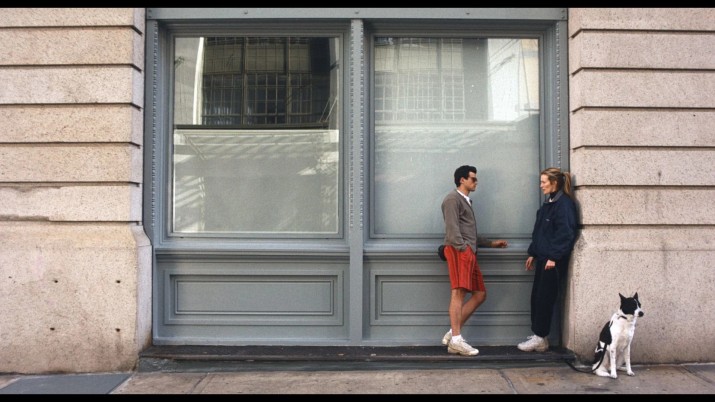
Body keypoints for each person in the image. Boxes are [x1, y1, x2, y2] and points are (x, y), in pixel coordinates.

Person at [440, 165, 508, 356]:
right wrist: (464, 249)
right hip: (459, 251)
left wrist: (491, 244)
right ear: (462, 180)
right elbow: (452, 231)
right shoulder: (452, 199)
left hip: (467, 252)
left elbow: (468, 232)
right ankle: (456, 340)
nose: (476, 182)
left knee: (479, 294)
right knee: (458, 293)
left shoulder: (465, 200)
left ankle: (453, 333)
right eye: (473, 179)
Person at [517, 167, 578, 352]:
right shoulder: (549, 203)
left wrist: (554, 257)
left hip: (552, 262)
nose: (541, 185)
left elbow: (565, 233)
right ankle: (539, 336)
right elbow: (540, 232)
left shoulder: (564, 205)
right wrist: (533, 253)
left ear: (554, 183)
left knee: (545, 299)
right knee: (537, 298)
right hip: (544, 259)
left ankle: (540, 337)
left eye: (544, 182)